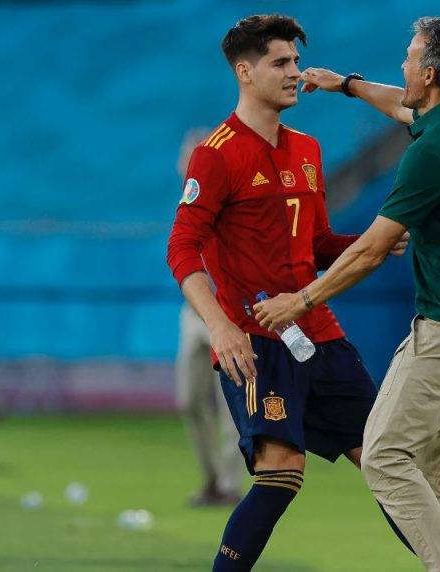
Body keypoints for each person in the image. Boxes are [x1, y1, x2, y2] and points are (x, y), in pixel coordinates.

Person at [254, 17, 440, 571]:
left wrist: (300, 301)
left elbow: (371, 250)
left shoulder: (433, 152)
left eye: (411, 57)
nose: (403, 64)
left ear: (431, 72)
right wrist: (346, 83)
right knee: (438, 469)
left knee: (386, 459)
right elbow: (400, 104)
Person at [165, 14, 411, 570]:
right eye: (281, 63)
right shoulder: (217, 153)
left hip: (320, 334)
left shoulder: (307, 149)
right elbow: (182, 248)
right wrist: (222, 326)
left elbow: (318, 242)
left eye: (297, 62)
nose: (295, 73)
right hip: (259, 343)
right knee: (280, 476)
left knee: (389, 465)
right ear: (245, 73)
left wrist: (373, 240)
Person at [174, 128, 245, 507]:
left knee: (229, 402)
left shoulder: (228, 196)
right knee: (188, 399)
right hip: (193, 312)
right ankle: (212, 478)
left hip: (225, 312)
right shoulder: (188, 201)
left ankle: (228, 485)